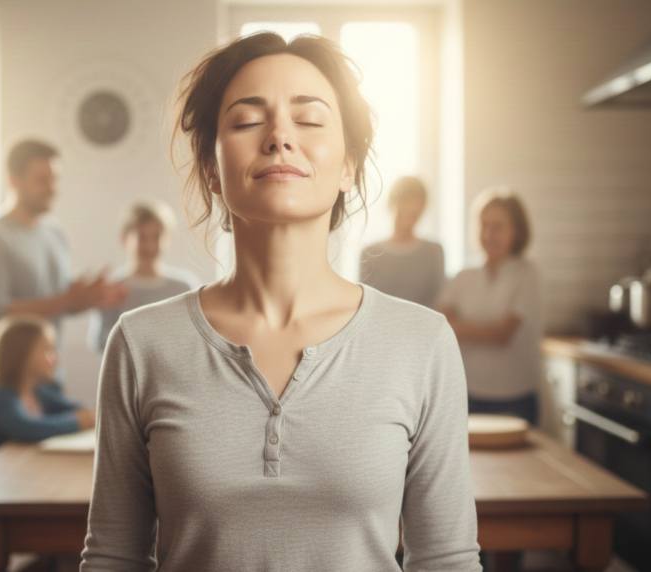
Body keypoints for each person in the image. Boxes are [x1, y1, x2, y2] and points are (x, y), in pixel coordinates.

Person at [81, 33, 480, 572]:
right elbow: (112, 559)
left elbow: (446, 561)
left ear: (349, 169)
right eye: (247, 121)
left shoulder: (422, 342)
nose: (279, 138)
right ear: (210, 170)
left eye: (309, 119)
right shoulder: (141, 342)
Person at [0, 140, 127, 349]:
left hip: (50, 372)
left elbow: (59, 303)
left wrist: (89, 297)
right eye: (42, 180)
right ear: (13, 180)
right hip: (3, 378)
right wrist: (69, 299)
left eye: (55, 180)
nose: (52, 189)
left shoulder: (55, 231)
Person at [437, 187, 543, 425]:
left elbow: (502, 335)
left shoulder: (528, 274)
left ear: (516, 231)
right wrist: (478, 330)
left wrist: (458, 326)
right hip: (467, 394)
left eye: (497, 227)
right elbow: (440, 327)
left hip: (515, 399)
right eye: (483, 225)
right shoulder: (463, 275)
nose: (488, 234)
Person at [0, 314, 96, 464]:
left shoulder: (39, 392)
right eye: (48, 350)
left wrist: (93, 414)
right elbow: (27, 429)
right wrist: (77, 422)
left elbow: (74, 408)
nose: (56, 358)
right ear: (22, 355)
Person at [88, 201, 201, 352]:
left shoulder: (185, 287)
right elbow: (100, 341)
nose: (149, 245)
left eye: (157, 237)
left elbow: (196, 337)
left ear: (169, 240)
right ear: (124, 239)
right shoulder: (112, 287)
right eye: (142, 237)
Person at [360, 176, 445, 307]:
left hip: (422, 326)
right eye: (402, 214)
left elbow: (439, 302)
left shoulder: (434, 251)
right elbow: (365, 304)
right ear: (390, 205)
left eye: (413, 214)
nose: (407, 222)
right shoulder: (370, 253)